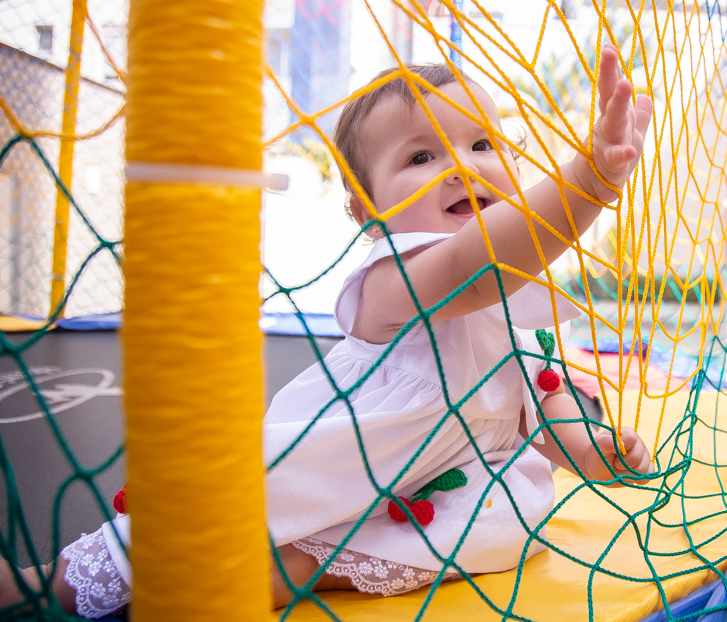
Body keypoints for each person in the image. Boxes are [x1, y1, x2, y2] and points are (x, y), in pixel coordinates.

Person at [0, 44, 654, 617]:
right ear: (367, 210)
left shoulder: (520, 305)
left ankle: (301, 569)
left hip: (443, 480)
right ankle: (34, 585)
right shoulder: (396, 275)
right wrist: (588, 180)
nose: (463, 165)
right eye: (422, 155)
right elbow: (476, 267)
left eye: (482, 145)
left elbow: (542, 402)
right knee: (186, 527)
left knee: (507, 519)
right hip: (337, 464)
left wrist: (592, 450)